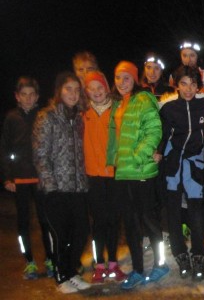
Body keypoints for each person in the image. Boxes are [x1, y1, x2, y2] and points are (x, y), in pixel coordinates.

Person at [106, 61, 167, 289]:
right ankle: (138, 269)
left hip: (141, 170)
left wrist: (139, 156)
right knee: (130, 223)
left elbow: (155, 130)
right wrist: (112, 162)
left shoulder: (143, 99)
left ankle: (161, 264)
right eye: (118, 78)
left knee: (149, 220)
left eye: (127, 78)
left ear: (134, 79)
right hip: (123, 174)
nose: (122, 83)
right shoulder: (118, 104)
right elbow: (115, 137)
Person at [157, 66, 204, 281]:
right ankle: (180, 255)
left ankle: (198, 256)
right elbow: (159, 132)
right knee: (173, 212)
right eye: (184, 84)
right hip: (173, 166)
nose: (188, 89)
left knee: (197, 213)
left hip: (195, 166)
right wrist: (157, 152)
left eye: (193, 84)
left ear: (198, 85)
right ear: (177, 85)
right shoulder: (167, 108)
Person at [32, 72, 90, 293]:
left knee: (81, 231)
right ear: (59, 91)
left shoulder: (78, 119)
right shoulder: (47, 117)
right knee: (60, 234)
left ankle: (70, 272)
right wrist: (50, 186)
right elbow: (40, 154)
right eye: (68, 89)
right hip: (55, 189)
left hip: (77, 187)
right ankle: (60, 276)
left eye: (76, 90)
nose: (73, 94)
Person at [0, 77, 54, 279]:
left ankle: (50, 259)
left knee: (45, 221)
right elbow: (4, 148)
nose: (28, 98)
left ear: (37, 96)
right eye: (24, 94)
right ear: (17, 96)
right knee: (23, 223)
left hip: (40, 178)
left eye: (32, 94)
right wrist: (7, 177)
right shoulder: (11, 117)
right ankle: (29, 262)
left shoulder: (43, 115)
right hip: (19, 179)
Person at [82, 71, 126, 283]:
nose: (97, 92)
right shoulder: (82, 113)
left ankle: (114, 263)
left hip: (115, 173)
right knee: (98, 221)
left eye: (100, 87)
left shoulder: (118, 110)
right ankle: (99, 264)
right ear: (86, 91)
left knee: (113, 220)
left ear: (107, 88)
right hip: (93, 175)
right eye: (92, 88)